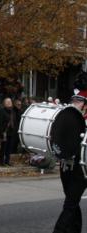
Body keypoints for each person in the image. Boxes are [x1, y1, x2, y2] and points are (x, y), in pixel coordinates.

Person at [52, 72, 87, 233]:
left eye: (79, 101)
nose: (74, 103)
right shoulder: (71, 117)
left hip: (82, 167)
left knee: (70, 203)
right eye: (74, 100)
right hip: (67, 163)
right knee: (71, 201)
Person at [0, 97, 16, 166]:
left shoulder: (12, 111)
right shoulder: (2, 111)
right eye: (7, 102)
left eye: (10, 101)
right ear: (4, 103)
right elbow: (0, 123)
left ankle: (7, 161)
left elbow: (14, 121)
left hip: (11, 132)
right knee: (3, 147)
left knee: (9, 147)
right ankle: (2, 162)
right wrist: (1, 133)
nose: (9, 103)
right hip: (4, 132)